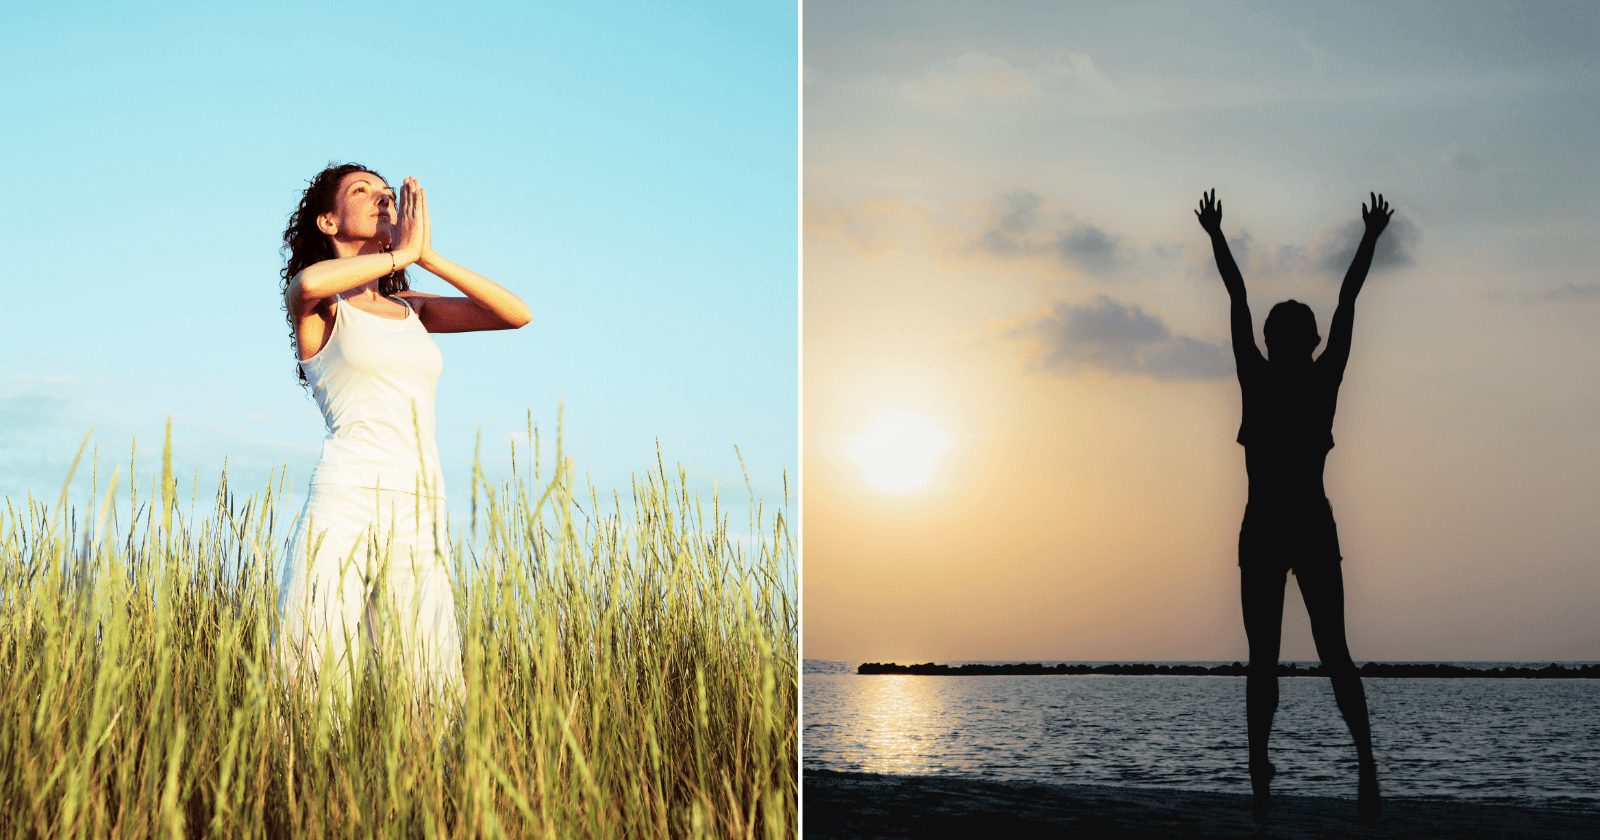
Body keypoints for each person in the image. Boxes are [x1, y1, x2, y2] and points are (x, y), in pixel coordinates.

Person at [274, 163, 531, 703]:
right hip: (344, 500)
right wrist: (399, 257)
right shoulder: (323, 306)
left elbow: (515, 314)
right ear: (327, 221)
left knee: (429, 679)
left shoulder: (410, 308)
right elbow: (307, 282)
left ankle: (426, 788)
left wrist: (427, 256)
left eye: (388, 195)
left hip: (419, 503)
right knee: (313, 674)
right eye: (362, 192)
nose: (382, 200)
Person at [1196, 188, 1390, 824]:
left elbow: (1239, 298)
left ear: (1280, 339)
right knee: (1327, 650)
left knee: (1277, 657)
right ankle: (1357, 766)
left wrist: (1218, 237)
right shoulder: (1318, 375)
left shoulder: (1266, 374)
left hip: (1281, 526)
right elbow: (1345, 300)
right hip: (1298, 524)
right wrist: (1368, 239)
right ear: (1306, 339)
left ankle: (1268, 769)